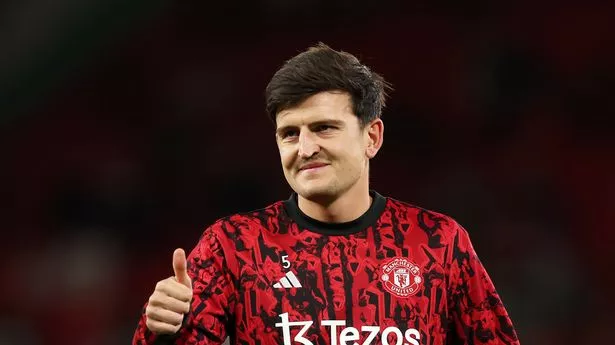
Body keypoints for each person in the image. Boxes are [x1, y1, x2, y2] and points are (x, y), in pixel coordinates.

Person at [132, 43, 520, 345]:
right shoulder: (233, 246)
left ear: (372, 137)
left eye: (324, 128)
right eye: (290, 133)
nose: (305, 148)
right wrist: (161, 330)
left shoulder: (439, 242)